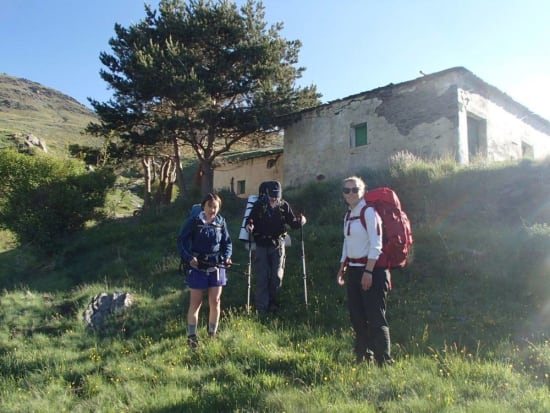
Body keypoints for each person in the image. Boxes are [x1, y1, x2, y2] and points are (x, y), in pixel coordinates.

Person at [336, 176, 394, 366]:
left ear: (363, 191)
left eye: (355, 189)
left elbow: (376, 245)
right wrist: (342, 267)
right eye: (347, 190)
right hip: (353, 270)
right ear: (343, 194)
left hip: (373, 271)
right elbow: (347, 242)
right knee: (357, 317)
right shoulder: (348, 215)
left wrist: (368, 272)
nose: (351, 193)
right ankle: (363, 356)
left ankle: (384, 361)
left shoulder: (369, 212)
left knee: (376, 317)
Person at [177, 193, 232, 349]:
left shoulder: (221, 223)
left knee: (215, 301)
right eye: (210, 206)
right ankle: (192, 337)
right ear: (204, 206)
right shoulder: (194, 222)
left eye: (215, 207)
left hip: (216, 267)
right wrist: (188, 258)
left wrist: (227, 257)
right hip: (197, 267)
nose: (212, 210)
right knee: (196, 303)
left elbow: (227, 243)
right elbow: (181, 240)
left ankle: (212, 334)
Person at [245, 181, 306, 313]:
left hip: (278, 245)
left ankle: (274, 304)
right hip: (261, 244)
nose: (274, 199)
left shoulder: (284, 205)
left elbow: (293, 224)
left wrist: (301, 221)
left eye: (276, 196)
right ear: (267, 193)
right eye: (272, 196)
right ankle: (262, 308)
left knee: (277, 276)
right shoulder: (259, 205)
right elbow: (249, 221)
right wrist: (249, 226)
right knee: (262, 277)